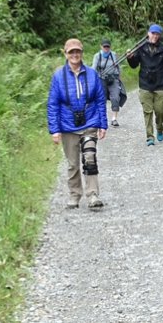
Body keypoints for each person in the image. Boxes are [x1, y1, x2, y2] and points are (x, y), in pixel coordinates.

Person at [47, 38, 108, 209]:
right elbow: (53, 103)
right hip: (67, 125)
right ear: (65, 54)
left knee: (89, 157)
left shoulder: (91, 73)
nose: (75, 55)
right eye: (71, 52)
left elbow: (100, 100)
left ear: (82, 53)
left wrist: (103, 124)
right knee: (72, 163)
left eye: (77, 51)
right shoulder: (58, 76)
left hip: (89, 122)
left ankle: (93, 194)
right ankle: (74, 195)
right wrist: (54, 129)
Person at [126, 24, 163, 146]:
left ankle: (159, 128)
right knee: (147, 111)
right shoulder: (141, 47)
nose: (155, 36)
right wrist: (130, 57)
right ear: (148, 33)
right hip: (145, 85)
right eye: (153, 33)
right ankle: (150, 137)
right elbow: (134, 65)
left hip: (159, 85)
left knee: (160, 111)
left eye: (157, 34)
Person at [91, 38, 126, 127]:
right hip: (101, 79)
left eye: (108, 46)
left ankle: (114, 119)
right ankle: (102, 119)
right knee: (102, 99)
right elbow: (93, 69)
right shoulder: (97, 56)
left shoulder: (113, 55)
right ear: (101, 46)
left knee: (115, 97)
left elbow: (118, 68)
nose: (106, 48)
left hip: (113, 78)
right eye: (104, 46)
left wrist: (120, 80)